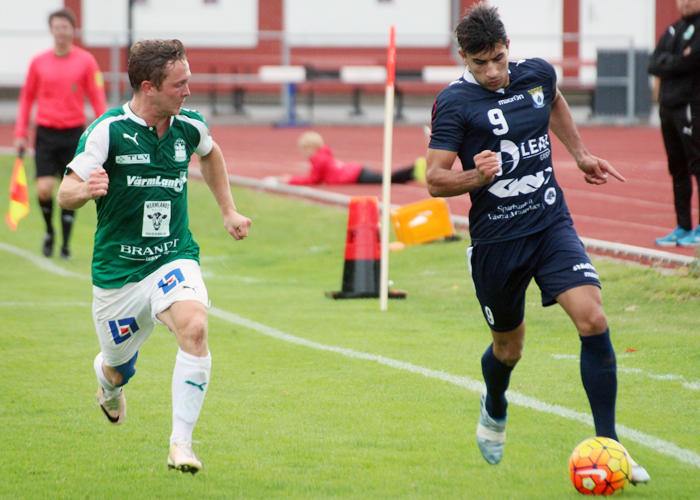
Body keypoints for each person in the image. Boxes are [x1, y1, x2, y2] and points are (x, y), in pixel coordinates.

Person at [425, 3, 650, 483]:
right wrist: (476, 176)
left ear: (508, 47)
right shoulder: (454, 103)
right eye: (480, 63)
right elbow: (434, 180)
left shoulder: (536, 74)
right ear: (463, 57)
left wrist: (580, 154)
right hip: (497, 241)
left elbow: (554, 101)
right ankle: (495, 403)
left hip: (550, 224)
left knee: (593, 319)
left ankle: (610, 445)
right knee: (509, 350)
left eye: (498, 58)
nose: (492, 71)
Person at [57, 39, 252, 474]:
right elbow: (65, 192)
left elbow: (211, 154)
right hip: (119, 274)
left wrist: (228, 210)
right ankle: (109, 387)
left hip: (172, 256)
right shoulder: (108, 131)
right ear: (149, 87)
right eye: (179, 84)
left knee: (195, 327)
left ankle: (181, 445)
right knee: (117, 369)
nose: (188, 91)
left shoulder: (189, 126)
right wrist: (85, 190)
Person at [14, 7, 107, 259]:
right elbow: (26, 98)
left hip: (73, 134)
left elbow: (97, 97)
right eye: (57, 27)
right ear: (51, 30)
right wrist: (21, 132)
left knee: (71, 188)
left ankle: (65, 244)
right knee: (44, 189)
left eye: (65, 27)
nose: (61, 32)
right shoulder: (38, 62)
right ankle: (49, 232)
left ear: (72, 30)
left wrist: (104, 128)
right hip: (46, 133)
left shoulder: (86, 61)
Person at [648, 0, 700, 247]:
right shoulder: (672, 30)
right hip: (668, 108)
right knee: (677, 168)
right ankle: (683, 226)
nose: (685, 2)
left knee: (697, 165)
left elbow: (693, 61)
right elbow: (653, 64)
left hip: (691, 106)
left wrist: (670, 63)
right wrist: (676, 60)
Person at [275, 130, 426, 185]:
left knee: (387, 180)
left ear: (310, 148)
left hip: (355, 174)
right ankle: (413, 172)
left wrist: (290, 180)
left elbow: (313, 179)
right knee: (387, 179)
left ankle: (415, 168)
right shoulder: (322, 155)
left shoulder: (319, 159)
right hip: (356, 171)